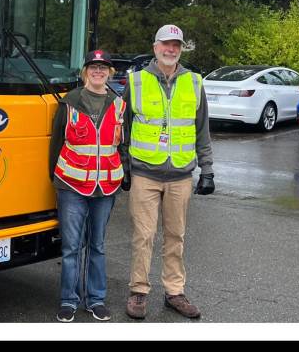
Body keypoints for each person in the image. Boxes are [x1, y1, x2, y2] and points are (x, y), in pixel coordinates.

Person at [119, 23, 213, 320]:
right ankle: (138, 291)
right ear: (155, 47)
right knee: (143, 235)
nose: (171, 49)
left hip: (180, 176)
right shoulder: (135, 82)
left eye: (176, 45)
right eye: (166, 44)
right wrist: (123, 167)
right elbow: (122, 128)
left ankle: (174, 291)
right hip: (145, 173)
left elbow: (202, 129)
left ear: (181, 49)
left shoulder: (195, 82)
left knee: (176, 235)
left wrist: (207, 169)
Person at [49, 49, 126, 322]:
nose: (98, 71)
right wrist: (55, 180)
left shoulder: (118, 103)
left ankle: (96, 300)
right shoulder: (69, 101)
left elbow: (121, 144)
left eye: (103, 67)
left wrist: (123, 173)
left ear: (109, 72)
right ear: (85, 72)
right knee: (71, 248)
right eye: (93, 67)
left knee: (98, 245)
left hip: (105, 187)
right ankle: (68, 301)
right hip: (71, 187)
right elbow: (55, 144)